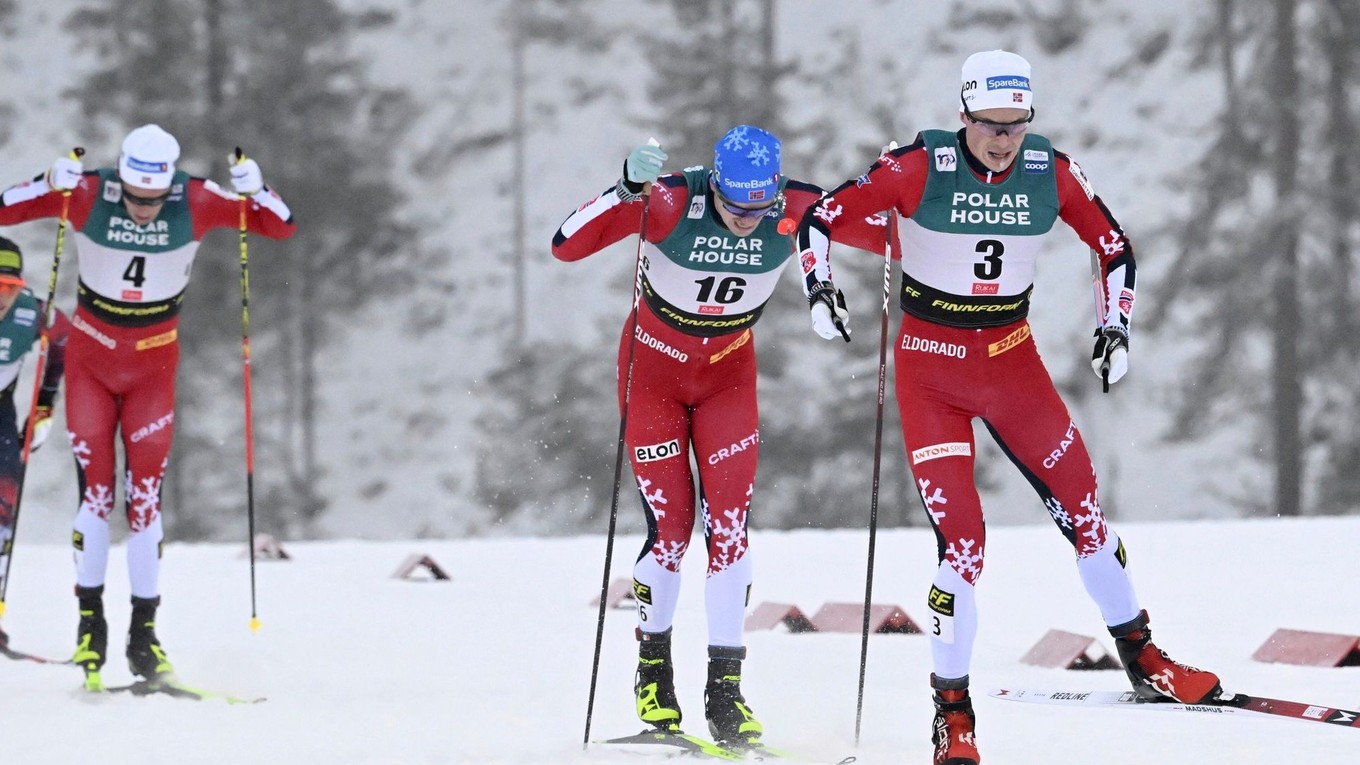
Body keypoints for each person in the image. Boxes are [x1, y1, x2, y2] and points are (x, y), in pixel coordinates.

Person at [794, 51, 1223, 764]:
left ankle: (1145, 659)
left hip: (1011, 361)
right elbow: (819, 219)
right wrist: (820, 290)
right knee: (964, 543)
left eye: (1016, 125)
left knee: (1086, 512)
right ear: (963, 114)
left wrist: (1114, 324)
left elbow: (1113, 247)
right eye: (990, 125)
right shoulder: (916, 167)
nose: (1002, 139)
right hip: (931, 369)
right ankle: (952, 713)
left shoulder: (1046, 171)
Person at [552, 126, 889, 748]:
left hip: (728, 377)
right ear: (715, 186)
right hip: (651, 371)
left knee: (729, 528)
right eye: (734, 206)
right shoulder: (674, 200)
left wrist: (901, 190)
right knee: (673, 529)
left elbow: (893, 236)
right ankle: (653, 674)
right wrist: (624, 188)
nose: (745, 220)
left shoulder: (795, 207)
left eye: (758, 208)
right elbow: (565, 247)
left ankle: (726, 692)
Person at [0, 124, 296, 690]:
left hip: (153, 370)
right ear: (122, 181)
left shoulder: (200, 199)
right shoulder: (88, 192)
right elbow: (4, 212)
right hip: (91, 363)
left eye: (153, 199)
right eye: (134, 196)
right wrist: (45, 181)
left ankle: (144, 638)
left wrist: (261, 191)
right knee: (97, 498)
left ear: (168, 186)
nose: (141, 209)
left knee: (144, 506)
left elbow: (280, 228)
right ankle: (91, 629)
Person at [0, 236, 70, 650]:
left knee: (3, 508)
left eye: (6, 289)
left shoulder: (34, 314)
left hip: (1, 414)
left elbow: (63, 342)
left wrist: (44, 405)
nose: (0, 300)